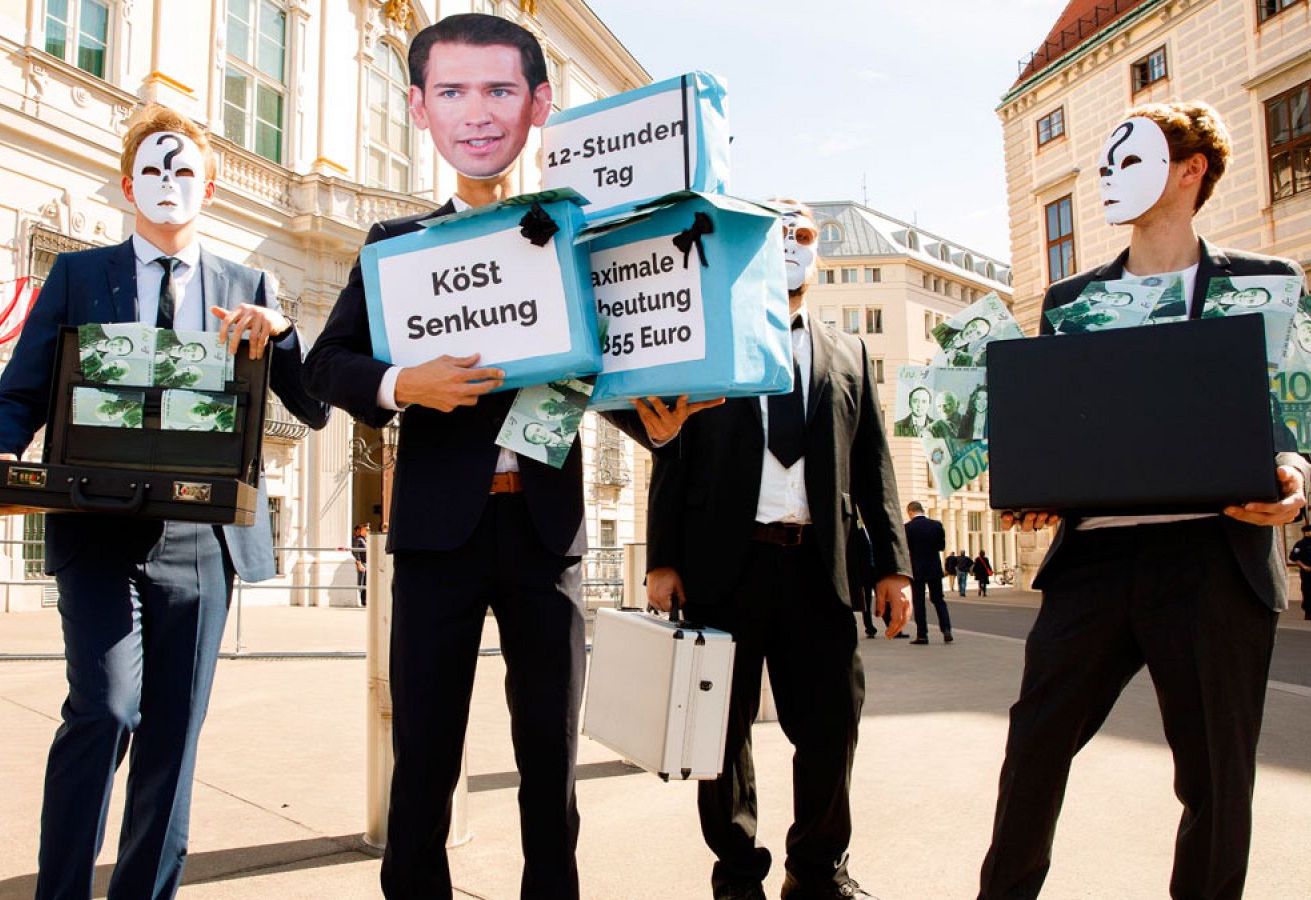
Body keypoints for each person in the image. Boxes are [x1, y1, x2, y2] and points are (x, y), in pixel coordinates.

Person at [301, 16, 699, 897]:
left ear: (538, 105)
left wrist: (658, 425)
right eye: (452, 92)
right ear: (420, 108)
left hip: (545, 533)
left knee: (548, 759)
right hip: (437, 539)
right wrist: (405, 382)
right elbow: (326, 364)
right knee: (426, 760)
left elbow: (611, 363)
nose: (477, 115)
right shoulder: (394, 245)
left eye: (500, 91)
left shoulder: (582, 240)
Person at [0, 104, 329, 899]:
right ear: (128, 186)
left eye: (185, 170)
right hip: (96, 528)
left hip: (202, 544)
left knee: (172, 741)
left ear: (210, 187)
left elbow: (314, 408)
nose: (170, 184)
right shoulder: (79, 275)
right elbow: (19, 392)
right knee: (106, 709)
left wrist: (285, 334)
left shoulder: (248, 285)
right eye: (155, 171)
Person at [980, 101, 1311, 900]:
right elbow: (1063, 431)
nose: (1106, 177)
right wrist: (1034, 491)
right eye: (1105, 163)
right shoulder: (1069, 303)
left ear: (1190, 170)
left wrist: (1294, 475)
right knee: (1033, 749)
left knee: (1214, 779)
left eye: (1129, 160)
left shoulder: (1270, 287)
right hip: (1092, 558)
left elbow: (1296, 424)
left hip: (1214, 558)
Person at [633, 199, 912, 900]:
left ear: (820, 252)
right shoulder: (712, 338)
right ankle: (736, 873)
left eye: (805, 234)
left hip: (820, 567)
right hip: (725, 565)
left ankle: (817, 871)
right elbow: (673, 451)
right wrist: (662, 559)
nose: (792, 243)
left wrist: (894, 566)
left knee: (831, 727)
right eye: (778, 233)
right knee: (720, 739)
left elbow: (875, 461)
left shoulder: (849, 350)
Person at [905, 503, 953, 644]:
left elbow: (906, 547)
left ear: (910, 512)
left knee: (919, 601)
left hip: (917, 569)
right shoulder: (936, 525)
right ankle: (946, 629)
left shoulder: (908, 528)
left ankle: (922, 634)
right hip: (934, 568)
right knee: (939, 599)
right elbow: (941, 546)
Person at [352, 522, 370, 601]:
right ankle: (361, 599)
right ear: (361, 530)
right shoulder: (359, 539)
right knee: (362, 582)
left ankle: (364, 599)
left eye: (368, 529)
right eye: (366, 529)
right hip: (363, 563)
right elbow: (356, 552)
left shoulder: (365, 539)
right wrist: (359, 563)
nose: (368, 531)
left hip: (367, 563)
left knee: (366, 582)